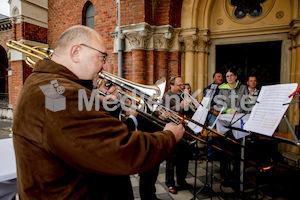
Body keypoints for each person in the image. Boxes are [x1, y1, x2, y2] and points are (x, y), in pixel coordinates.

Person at [12, 25, 185, 199]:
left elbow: (75, 136)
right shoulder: (63, 94)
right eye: (102, 57)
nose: (104, 65)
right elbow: (123, 151)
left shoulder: (46, 84)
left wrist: (96, 100)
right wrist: (169, 136)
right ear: (76, 52)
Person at [215, 68, 249, 188]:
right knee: (225, 151)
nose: (229, 78)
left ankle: (237, 177)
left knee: (239, 151)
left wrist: (239, 110)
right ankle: (225, 177)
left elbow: (248, 104)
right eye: (227, 76)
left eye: (231, 76)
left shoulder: (243, 88)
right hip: (226, 123)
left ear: (235, 77)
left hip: (239, 122)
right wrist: (228, 110)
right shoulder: (222, 89)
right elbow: (218, 105)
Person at [163, 76, 193, 194]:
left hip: (184, 129)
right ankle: (170, 183)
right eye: (179, 85)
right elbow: (166, 111)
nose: (182, 87)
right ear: (172, 85)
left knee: (184, 157)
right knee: (171, 158)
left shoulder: (183, 95)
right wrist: (179, 106)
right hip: (172, 129)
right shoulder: (166, 96)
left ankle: (181, 180)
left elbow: (189, 111)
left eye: (182, 85)